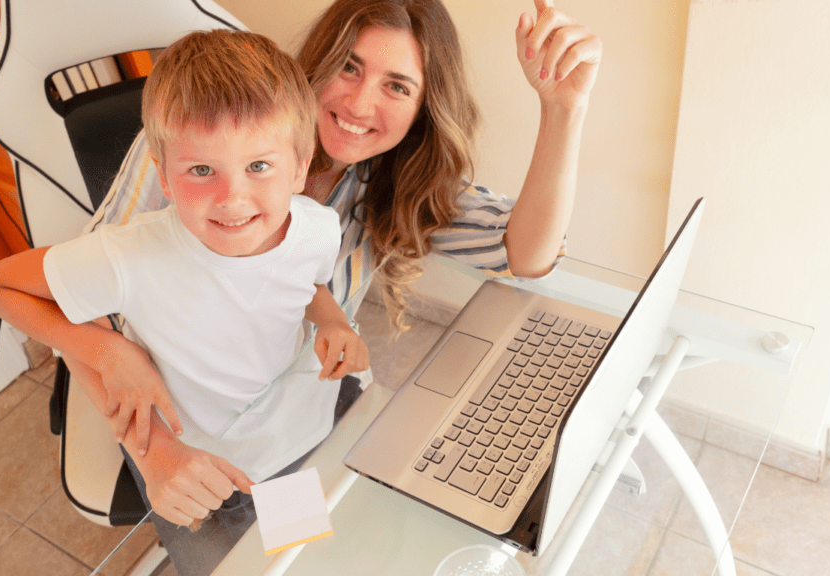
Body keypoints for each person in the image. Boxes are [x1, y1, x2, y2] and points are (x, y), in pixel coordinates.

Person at [74, 0, 600, 567]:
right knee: (250, 561)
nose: (358, 102)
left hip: (298, 413)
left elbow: (526, 254)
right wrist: (148, 442)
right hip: (191, 427)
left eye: (397, 86)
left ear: (422, 107)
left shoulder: (387, 183)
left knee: (322, 550)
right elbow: (71, 301)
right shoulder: (196, 152)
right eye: (349, 67)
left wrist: (563, 110)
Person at [0, 30, 367, 574]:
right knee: (231, 567)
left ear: (300, 168)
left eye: (259, 166)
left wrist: (331, 318)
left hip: (294, 437)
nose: (232, 198)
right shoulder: (132, 254)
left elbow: (309, 283)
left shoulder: (317, 229)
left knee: (294, 558)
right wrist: (108, 351)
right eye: (201, 170)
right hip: (190, 465)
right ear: (164, 175)